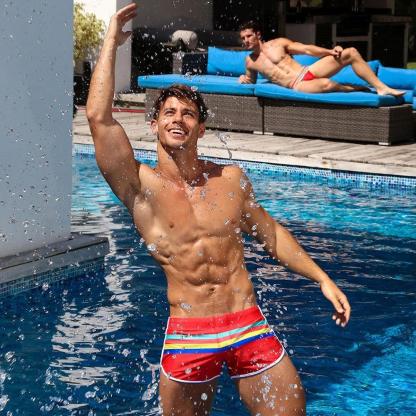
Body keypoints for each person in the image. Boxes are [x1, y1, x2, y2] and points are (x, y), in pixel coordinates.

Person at [87, 4, 351, 415]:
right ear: (154, 124)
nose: (178, 119)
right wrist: (110, 41)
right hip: (189, 335)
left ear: (202, 128)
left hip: (247, 323)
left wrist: (322, 278)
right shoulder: (138, 185)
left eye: (188, 114)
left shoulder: (229, 180)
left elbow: (271, 233)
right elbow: (99, 118)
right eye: (169, 112)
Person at [238, 21, 404, 97]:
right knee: (327, 84)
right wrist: (243, 79)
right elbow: (250, 80)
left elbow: (307, 49)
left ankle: (381, 87)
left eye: (249, 36)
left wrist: (329, 51)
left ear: (258, 34)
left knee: (350, 52)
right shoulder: (250, 61)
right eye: (243, 38)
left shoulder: (278, 43)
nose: (246, 40)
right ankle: (354, 89)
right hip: (297, 84)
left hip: (308, 71)